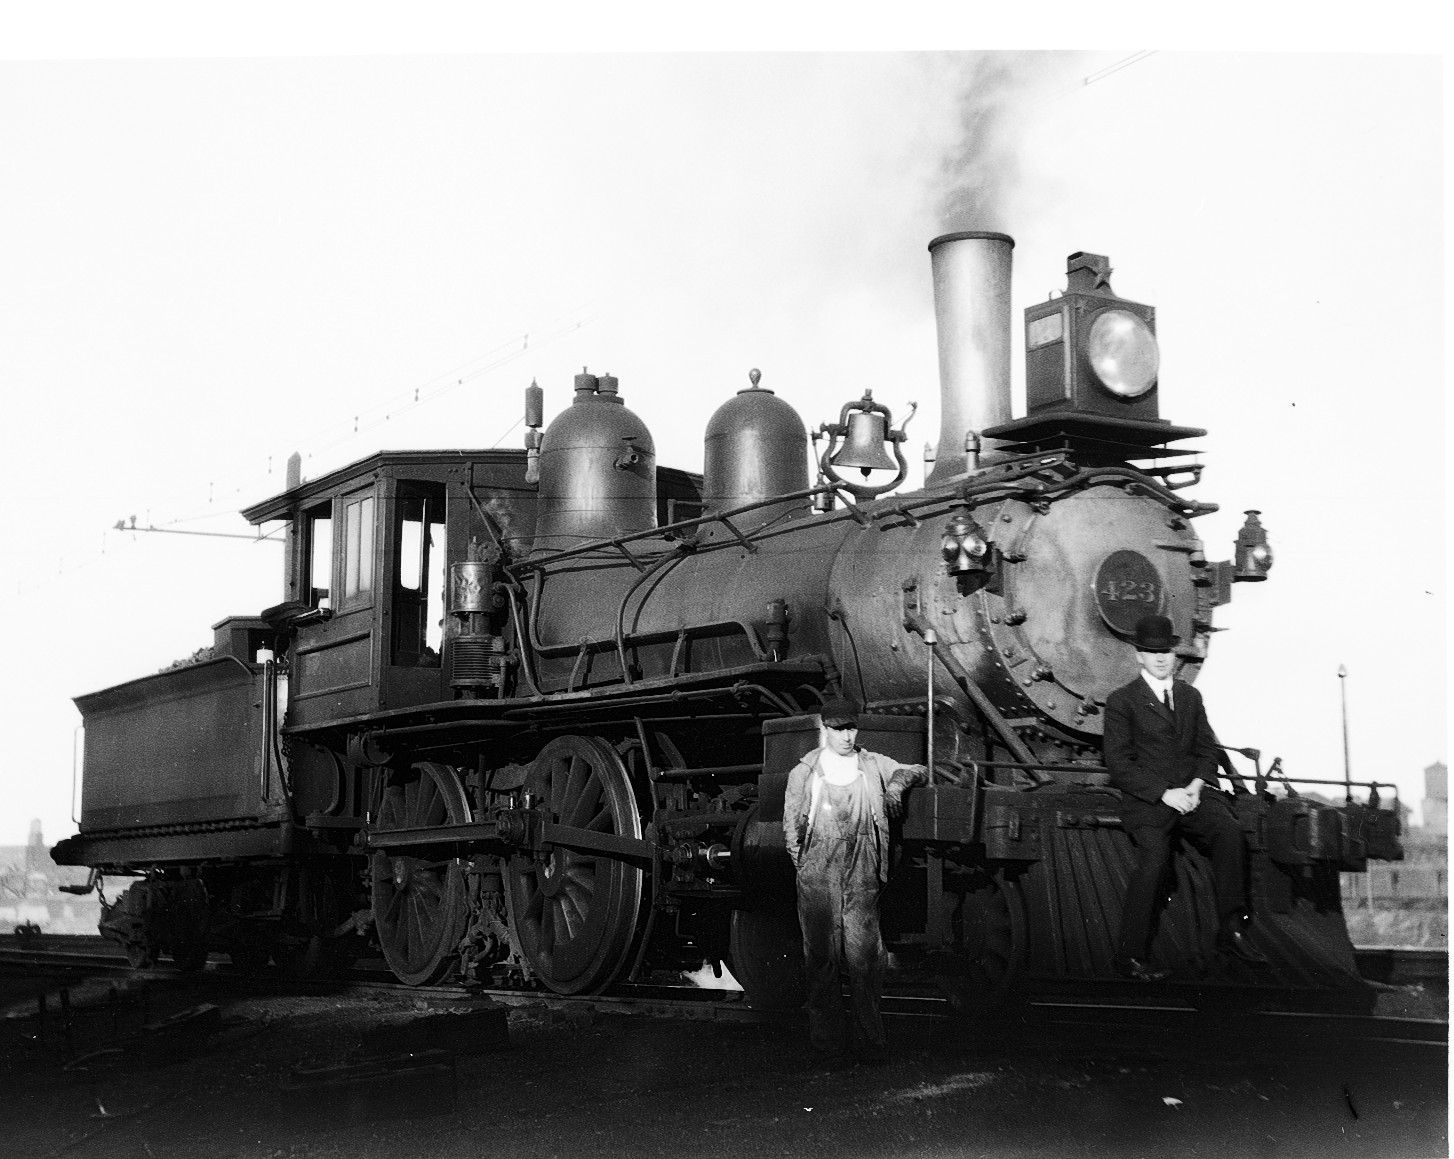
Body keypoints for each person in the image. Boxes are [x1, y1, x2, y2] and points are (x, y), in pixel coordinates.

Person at [1103, 614, 1266, 981]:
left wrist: (1197, 785)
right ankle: (1130, 955)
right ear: (1139, 656)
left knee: (1229, 833)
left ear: (1175, 655)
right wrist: (1164, 793)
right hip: (1149, 801)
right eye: (1152, 652)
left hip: (1192, 795)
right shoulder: (1122, 701)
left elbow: (1207, 749)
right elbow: (1119, 762)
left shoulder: (1191, 696)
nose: (1160, 658)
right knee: (1154, 860)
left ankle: (1231, 930)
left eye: (1166, 651)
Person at [782, 697, 927, 1066]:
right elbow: (791, 830)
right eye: (838, 729)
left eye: (851, 728)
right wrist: (807, 868)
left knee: (866, 958)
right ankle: (828, 1046)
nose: (846, 736)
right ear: (825, 730)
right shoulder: (804, 773)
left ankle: (870, 1043)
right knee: (821, 960)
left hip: (862, 868)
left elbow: (917, 769)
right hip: (818, 869)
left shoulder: (873, 764)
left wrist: (895, 787)